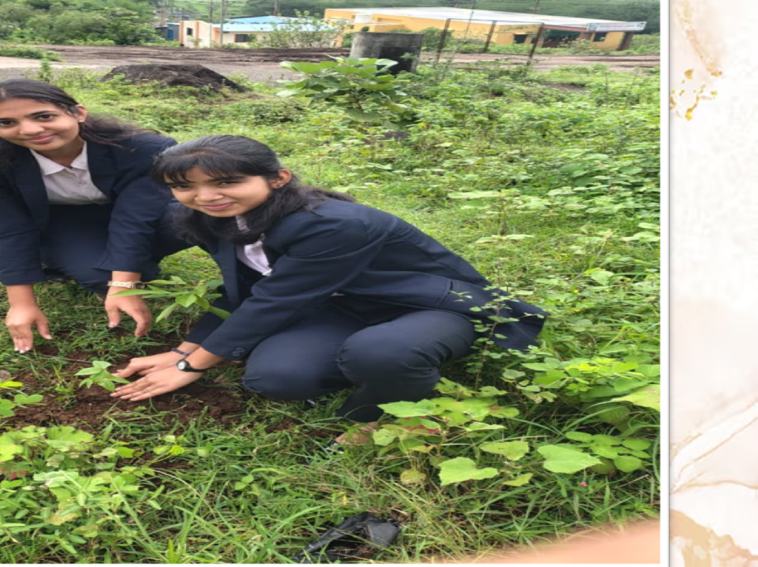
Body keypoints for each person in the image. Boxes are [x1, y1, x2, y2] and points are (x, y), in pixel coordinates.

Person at [111, 135, 547, 423]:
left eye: (227, 181)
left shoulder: (332, 225)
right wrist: (182, 350)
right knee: (276, 379)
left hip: (426, 305)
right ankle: (377, 361)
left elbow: (276, 300)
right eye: (184, 186)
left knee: (381, 353)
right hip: (337, 307)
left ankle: (380, 411)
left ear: (278, 179)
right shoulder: (212, 217)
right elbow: (246, 291)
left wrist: (190, 366)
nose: (206, 196)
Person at [0, 79, 184, 353]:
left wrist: (124, 284)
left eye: (44, 116)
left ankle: (141, 265)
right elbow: (7, 228)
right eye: (5, 123)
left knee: (193, 217)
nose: (30, 130)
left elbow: (136, 217)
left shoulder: (142, 149)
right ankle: (121, 263)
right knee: (100, 276)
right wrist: (21, 303)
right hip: (62, 223)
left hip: (138, 214)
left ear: (78, 113)